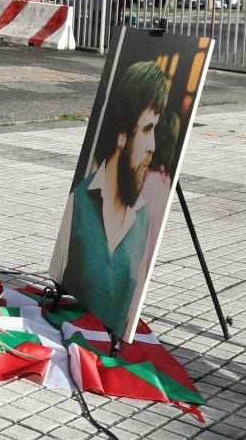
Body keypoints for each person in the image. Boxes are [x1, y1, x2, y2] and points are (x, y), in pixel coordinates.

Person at [57, 60, 169, 337]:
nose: (153, 145)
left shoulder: (142, 215)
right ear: (122, 134)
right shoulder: (79, 202)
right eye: (147, 129)